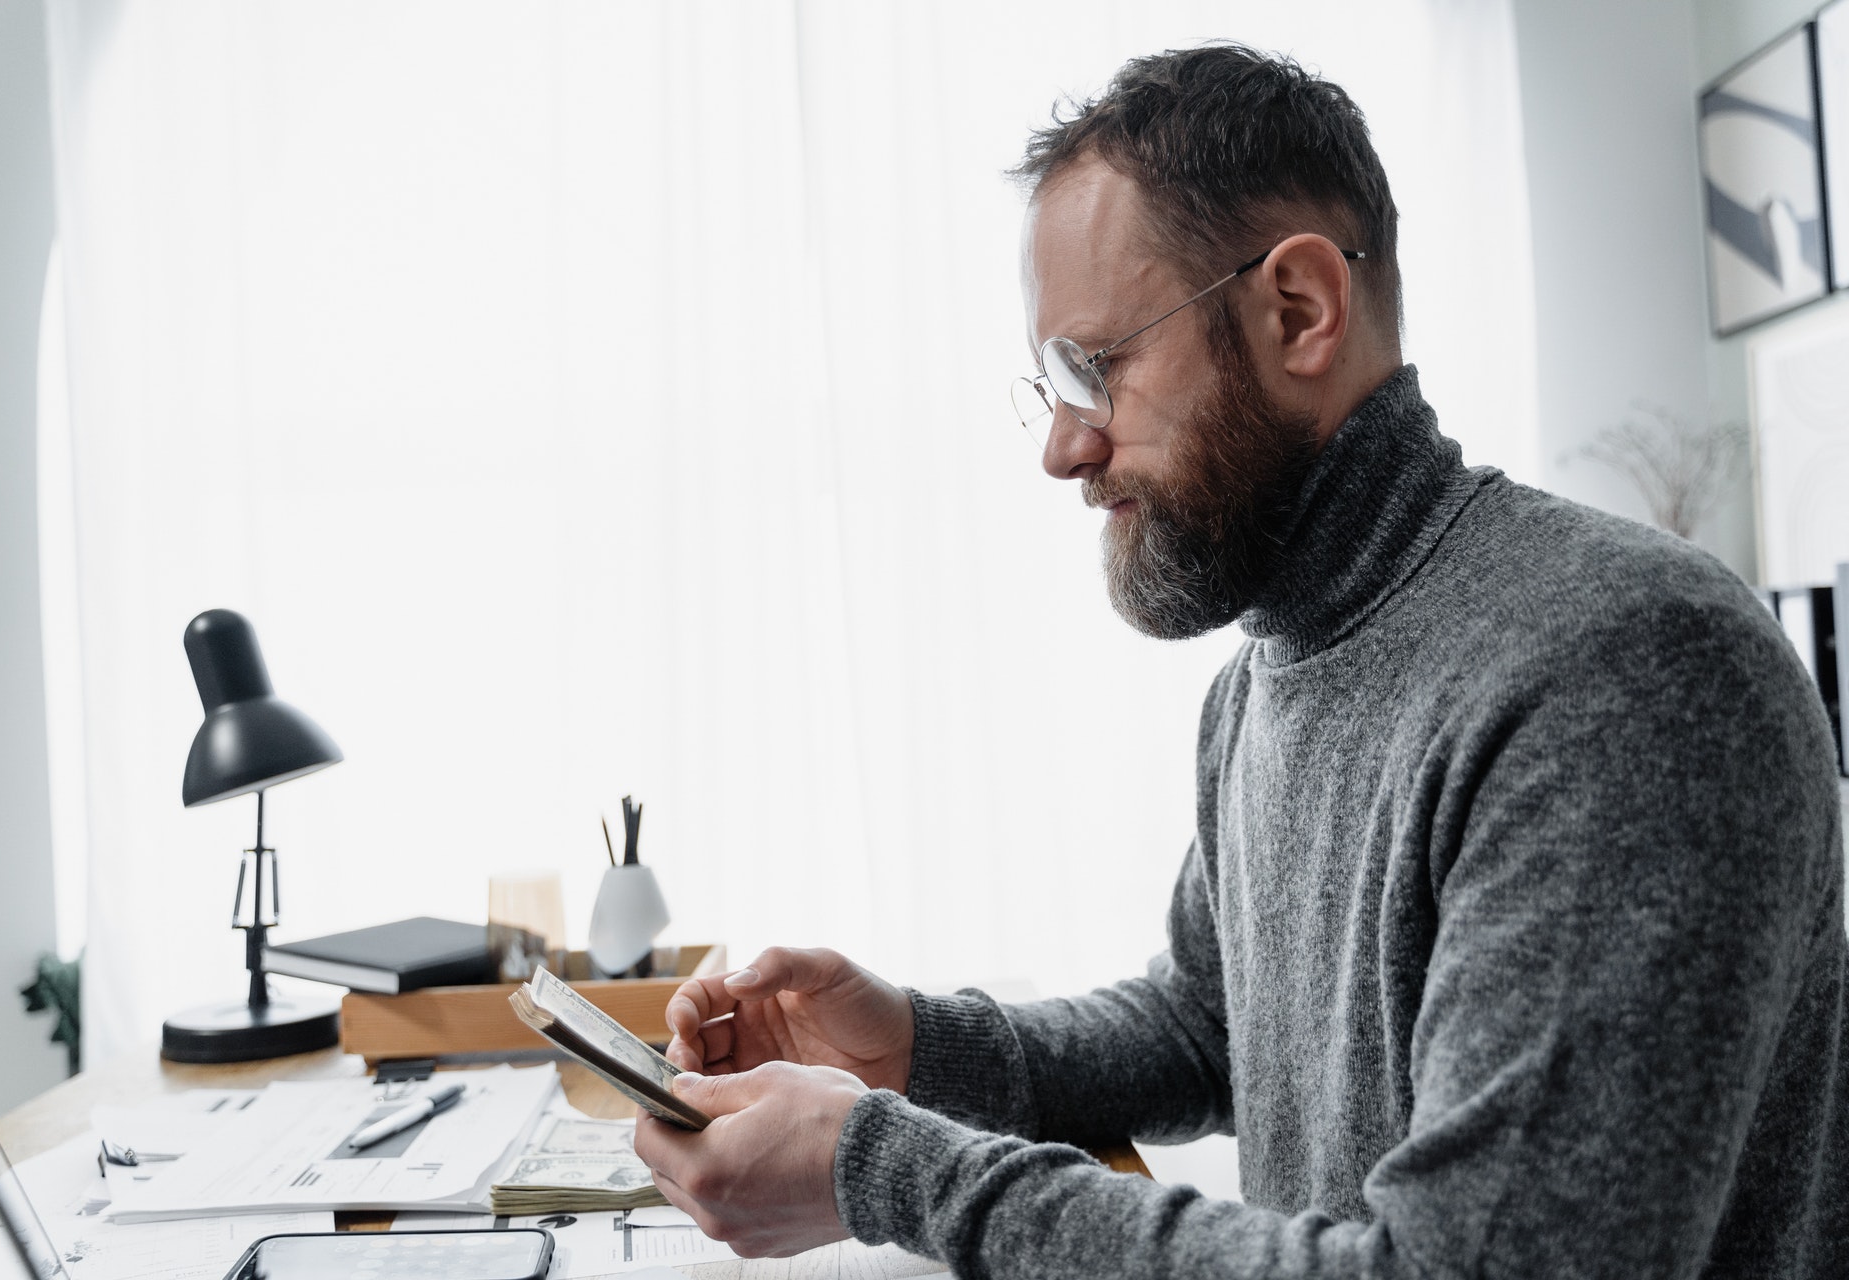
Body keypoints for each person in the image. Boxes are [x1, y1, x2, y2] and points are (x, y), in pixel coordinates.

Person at [632, 42, 1848, 1278]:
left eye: (1094, 367)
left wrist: (884, 1164)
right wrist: (917, 1047)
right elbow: (1213, 1021)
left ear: (1298, 311)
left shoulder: (1626, 672)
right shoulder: (1263, 678)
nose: (1063, 445)